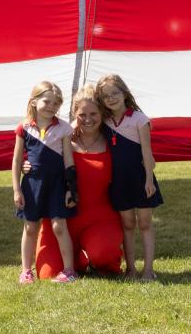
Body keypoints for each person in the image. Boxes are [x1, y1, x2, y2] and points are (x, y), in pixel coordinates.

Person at [33, 94, 124, 277]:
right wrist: (26, 166)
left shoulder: (113, 139)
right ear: (74, 113)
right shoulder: (59, 138)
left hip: (100, 219)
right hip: (60, 220)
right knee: (48, 274)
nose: (88, 120)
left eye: (93, 114)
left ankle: (90, 255)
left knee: (103, 256)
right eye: (82, 114)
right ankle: (79, 260)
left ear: (102, 113)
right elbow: (34, 150)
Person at [95, 72, 163, 281]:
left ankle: (149, 269)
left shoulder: (139, 119)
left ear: (124, 93)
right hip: (118, 181)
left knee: (144, 223)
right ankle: (131, 268)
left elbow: (147, 153)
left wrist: (149, 180)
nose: (111, 98)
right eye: (106, 96)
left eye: (115, 93)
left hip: (140, 180)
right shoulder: (103, 120)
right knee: (127, 224)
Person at [12, 80, 78, 284]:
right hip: (32, 186)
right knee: (30, 227)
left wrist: (71, 188)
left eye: (56, 103)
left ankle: (69, 270)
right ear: (34, 102)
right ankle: (26, 270)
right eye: (47, 101)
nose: (51, 106)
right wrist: (16, 190)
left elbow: (68, 159)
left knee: (59, 226)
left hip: (57, 185)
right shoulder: (23, 128)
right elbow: (16, 160)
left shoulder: (64, 128)